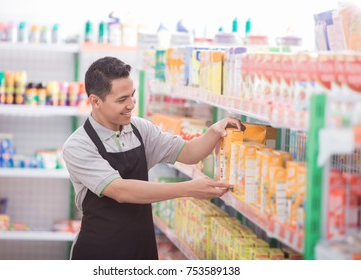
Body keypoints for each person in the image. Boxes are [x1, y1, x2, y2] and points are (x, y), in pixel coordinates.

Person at [62, 56, 245, 260]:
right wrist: (188, 188)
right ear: (95, 101)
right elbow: (120, 190)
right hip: (99, 251)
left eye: (132, 95)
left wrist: (214, 131)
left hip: (142, 248)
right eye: (122, 100)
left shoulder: (141, 129)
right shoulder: (78, 145)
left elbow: (189, 153)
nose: (131, 104)